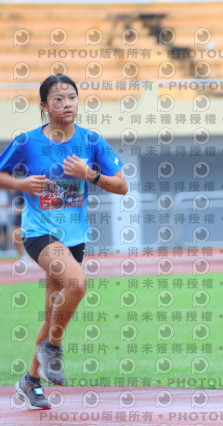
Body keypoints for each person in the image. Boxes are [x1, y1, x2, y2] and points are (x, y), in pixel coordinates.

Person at [1, 74, 128, 410]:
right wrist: (22, 184)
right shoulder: (27, 141)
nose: (67, 104)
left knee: (52, 312)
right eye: (58, 99)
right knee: (77, 283)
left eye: (71, 97)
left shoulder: (91, 140)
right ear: (44, 105)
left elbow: (122, 186)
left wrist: (91, 175)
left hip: (75, 236)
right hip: (39, 232)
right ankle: (53, 348)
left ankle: (30, 381)